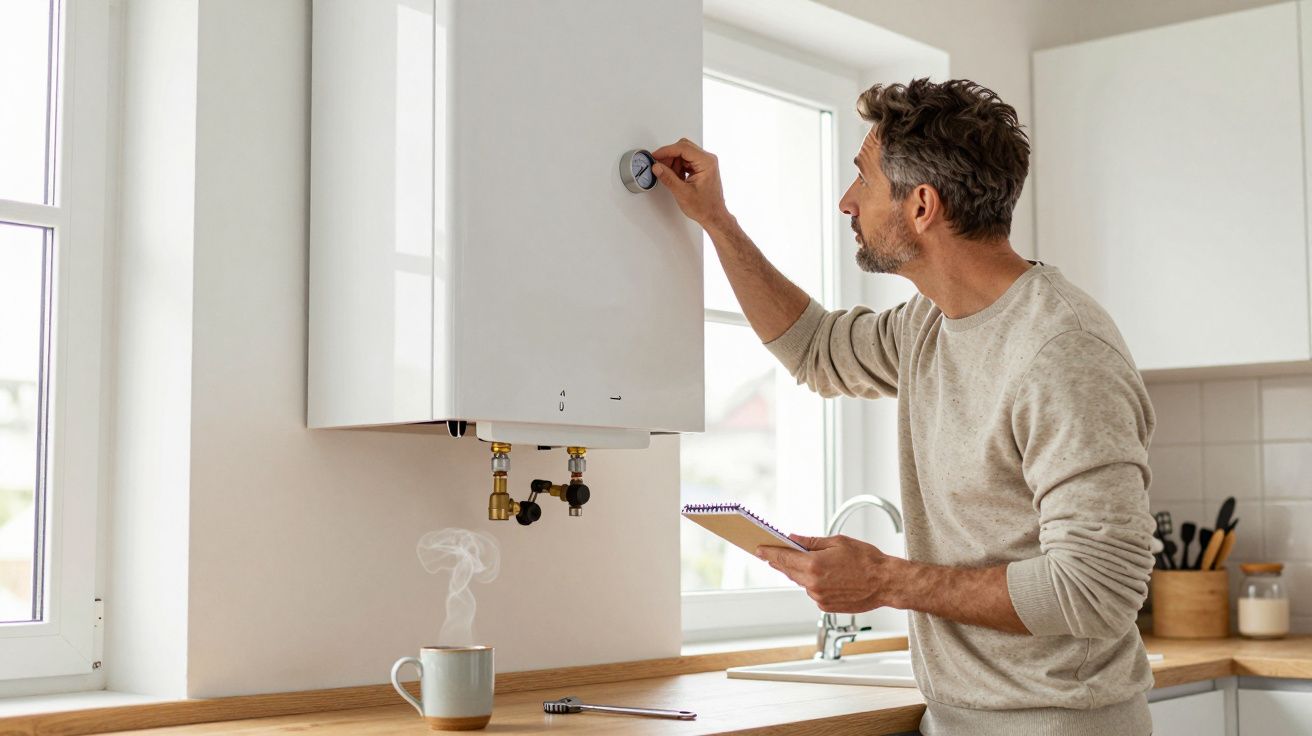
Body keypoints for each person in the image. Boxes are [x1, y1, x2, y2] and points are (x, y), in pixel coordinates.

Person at [652, 78, 1156, 736]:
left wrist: (884, 580)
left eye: (863, 179)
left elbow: (1096, 589)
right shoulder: (929, 324)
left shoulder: (1061, 352)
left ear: (921, 205)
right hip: (957, 720)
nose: (846, 202)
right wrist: (717, 222)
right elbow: (817, 349)